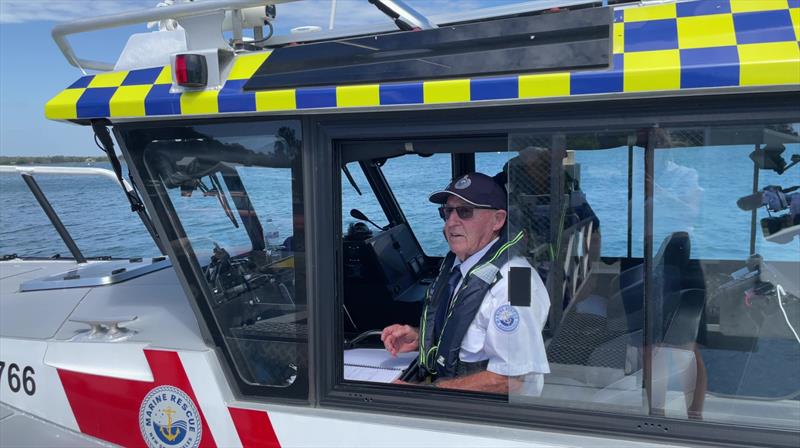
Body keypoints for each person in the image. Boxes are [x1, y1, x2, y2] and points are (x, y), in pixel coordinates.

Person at [381, 172, 550, 395]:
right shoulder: (459, 267)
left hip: (483, 413)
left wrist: (425, 393)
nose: (451, 222)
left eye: (465, 211)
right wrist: (418, 337)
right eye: (447, 211)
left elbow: (513, 380)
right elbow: (468, 332)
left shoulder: (518, 282)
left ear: (497, 220)